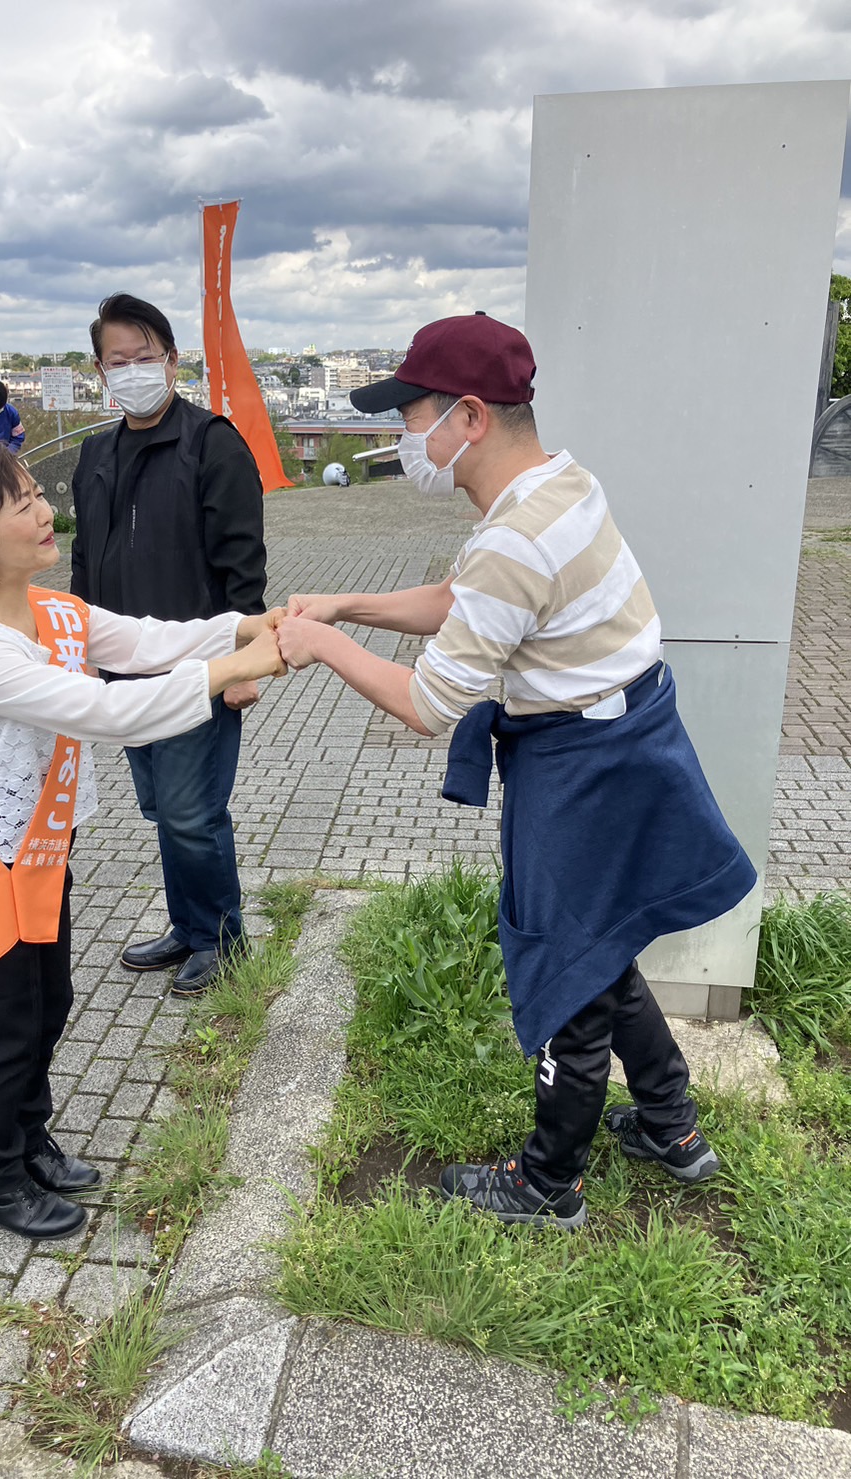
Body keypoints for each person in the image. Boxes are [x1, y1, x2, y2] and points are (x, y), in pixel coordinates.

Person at [277, 312, 757, 1231]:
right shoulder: (559, 485)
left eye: (410, 415)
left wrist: (320, 641)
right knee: (605, 944)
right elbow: (466, 605)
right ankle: (670, 1124)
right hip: (626, 739)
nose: (401, 437)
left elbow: (427, 705)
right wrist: (346, 601)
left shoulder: (512, 539)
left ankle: (547, 1184)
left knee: (565, 962)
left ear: (465, 417)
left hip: (581, 767)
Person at [0, 441, 284, 1240]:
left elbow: (149, 640)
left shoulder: (51, 611)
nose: (47, 511)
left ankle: (26, 1138)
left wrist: (248, 624)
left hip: (35, 857)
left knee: (49, 1003)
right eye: (23, 503)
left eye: (38, 494)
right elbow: (115, 714)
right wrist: (244, 665)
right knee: (0, 1024)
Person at [71, 293, 268, 996]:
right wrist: (79, 648)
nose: (132, 371)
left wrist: (245, 664)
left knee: (192, 810)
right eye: (117, 361)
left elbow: (243, 564)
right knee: (162, 808)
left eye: (144, 357)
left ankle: (223, 938)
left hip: (199, 667)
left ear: (172, 360)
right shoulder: (96, 452)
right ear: (100, 370)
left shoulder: (210, 442)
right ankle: (188, 927)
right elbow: (85, 560)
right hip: (125, 671)